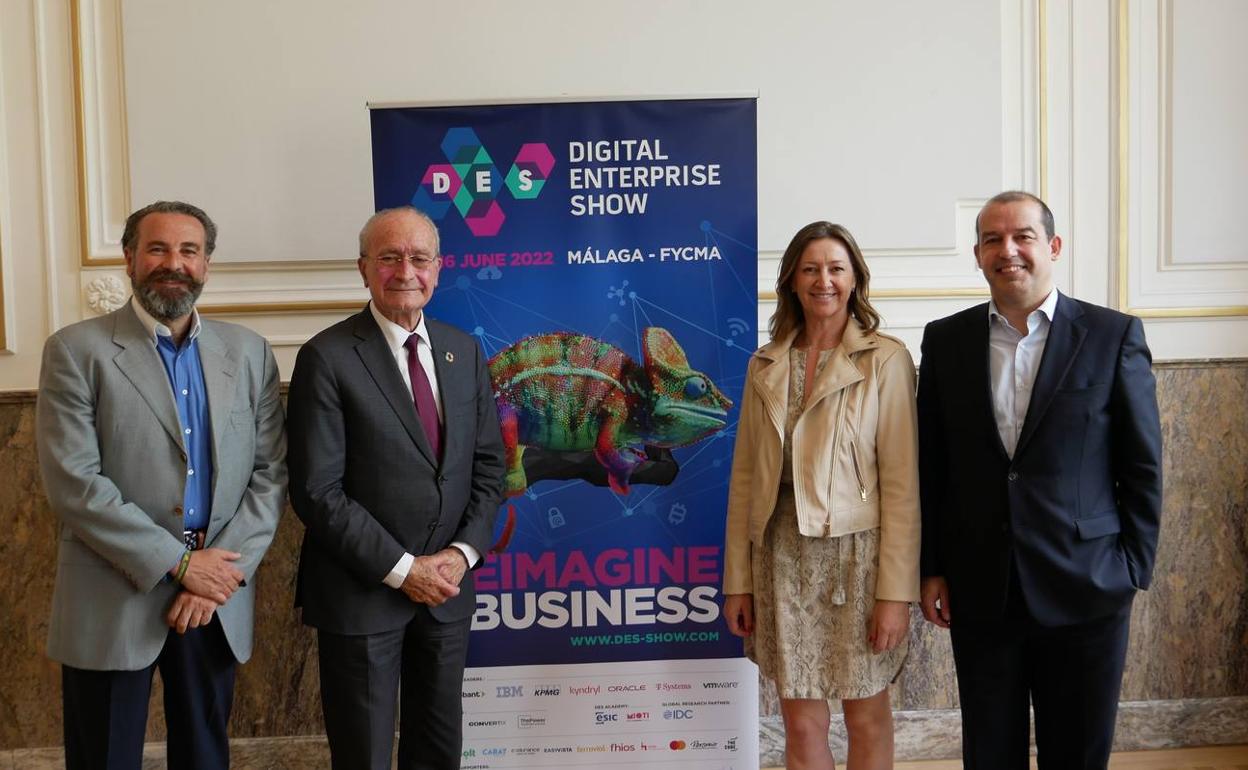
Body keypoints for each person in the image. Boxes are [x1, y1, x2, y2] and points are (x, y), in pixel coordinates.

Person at [35, 200, 287, 769]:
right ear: (129, 258)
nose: (173, 263)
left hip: (214, 597)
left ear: (206, 265)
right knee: (105, 756)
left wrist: (210, 577)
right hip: (113, 591)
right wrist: (179, 563)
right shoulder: (77, 350)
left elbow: (270, 477)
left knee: (204, 756)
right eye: (157, 248)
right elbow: (75, 484)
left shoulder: (248, 353)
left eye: (189, 251)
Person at [917, 191, 1163, 768]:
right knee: (990, 752)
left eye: (1023, 236)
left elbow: (1142, 463)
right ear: (978, 255)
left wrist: (1131, 567)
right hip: (981, 588)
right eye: (992, 240)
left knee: (1076, 753)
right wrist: (931, 567)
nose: (1009, 251)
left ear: (1052, 246)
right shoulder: (945, 341)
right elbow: (933, 464)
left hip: (1088, 586)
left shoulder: (1112, 335)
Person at [287, 206, 506, 770]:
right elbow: (318, 491)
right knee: (363, 754)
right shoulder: (327, 357)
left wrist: (461, 555)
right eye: (389, 258)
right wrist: (406, 570)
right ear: (364, 269)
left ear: (439, 268)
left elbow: (489, 468)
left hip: (448, 596)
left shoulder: (463, 350)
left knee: (438, 749)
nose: (405, 270)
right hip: (362, 595)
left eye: (418, 258)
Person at [722, 221, 920, 770]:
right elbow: (744, 482)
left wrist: (895, 595)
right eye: (810, 268)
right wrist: (738, 583)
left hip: (856, 564)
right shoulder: (764, 363)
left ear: (855, 278)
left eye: (836, 268)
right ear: (791, 280)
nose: (823, 280)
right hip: (779, 559)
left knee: (865, 716)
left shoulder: (886, 360)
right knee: (801, 721)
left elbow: (903, 490)